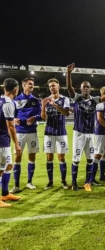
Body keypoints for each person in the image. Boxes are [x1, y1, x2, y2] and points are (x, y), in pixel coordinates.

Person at [66, 63, 105, 191]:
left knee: (89, 159)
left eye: (88, 87)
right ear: (81, 89)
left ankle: (87, 182)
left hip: (91, 134)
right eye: (84, 87)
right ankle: (74, 182)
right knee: (76, 159)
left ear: (91, 89)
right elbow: (69, 87)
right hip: (79, 133)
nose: (86, 89)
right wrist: (68, 73)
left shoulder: (94, 100)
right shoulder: (76, 98)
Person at [10, 77, 42, 193]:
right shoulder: (16, 100)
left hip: (32, 132)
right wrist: (14, 119)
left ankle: (29, 182)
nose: (32, 86)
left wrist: (35, 118)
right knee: (17, 157)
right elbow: (11, 116)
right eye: (29, 84)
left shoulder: (36, 100)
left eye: (32, 84)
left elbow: (41, 115)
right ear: (23, 86)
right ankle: (16, 185)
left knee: (32, 157)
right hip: (20, 132)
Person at [40, 78, 70, 190]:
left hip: (61, 132)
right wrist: (43, 106)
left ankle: (63, 181)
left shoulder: (65, 99)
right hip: (49, 132)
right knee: (49, 157)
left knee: (61, 157)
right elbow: (43, 118)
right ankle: (50, 181)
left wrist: (55, 105)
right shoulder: (46, 100)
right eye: (50, 86)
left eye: (54, 85)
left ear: (58, 86)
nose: (52, 87)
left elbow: (66, 113)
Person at [0, 78, 22, 207]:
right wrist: (17, 144)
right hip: (2, 140)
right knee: (0, 170)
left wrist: (13, 121)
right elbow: (11, 127)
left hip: (3, 139)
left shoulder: (1, 100)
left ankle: (5, 193)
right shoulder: (9, 103)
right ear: (16, 90)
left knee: (8, 165)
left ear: (4, 89)